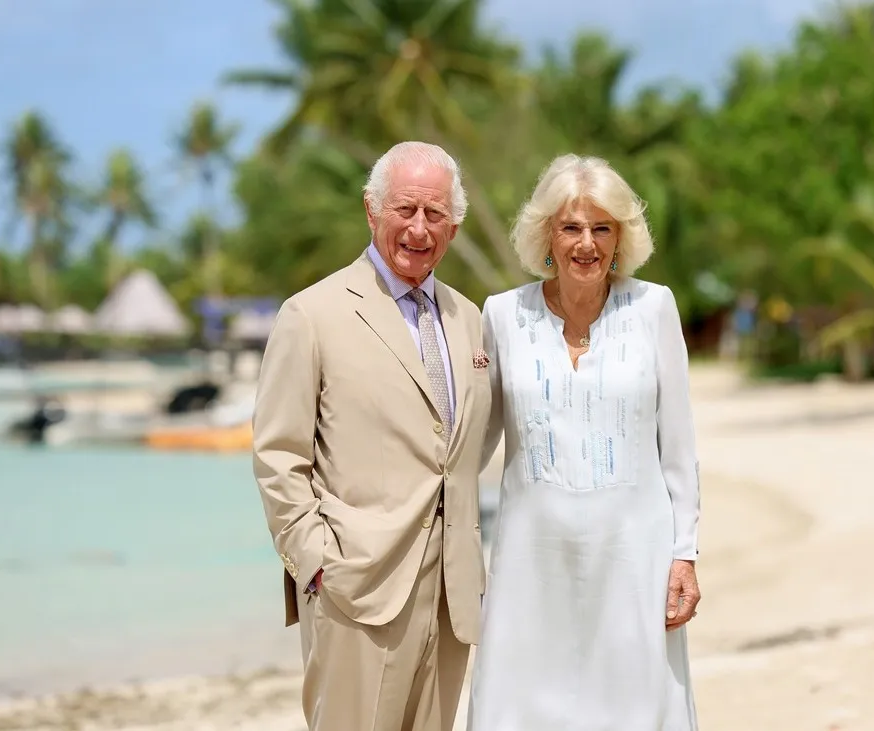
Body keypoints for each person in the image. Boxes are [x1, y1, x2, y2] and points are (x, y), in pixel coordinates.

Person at [252, 141, 491, 731]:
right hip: (356, 590)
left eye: (434, 214)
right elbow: (278, 456)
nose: (418, 228)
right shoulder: (311, 315)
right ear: (371, 210)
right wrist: (315, 564)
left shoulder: (472, 320)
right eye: (404, 210)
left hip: (451, 595)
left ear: (454, 226)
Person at [467, 154, 703, 730]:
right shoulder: (501, 315)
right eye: (571, 227)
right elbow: (470, 446)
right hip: (530, 559)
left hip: (634, 556)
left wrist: (685, 553)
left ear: (621, 237)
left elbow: (678, 445)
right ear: (546, 233)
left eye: (602, 228)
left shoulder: (654, 308)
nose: (587, 244)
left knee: (632, 706)